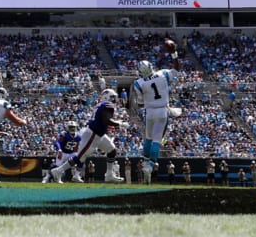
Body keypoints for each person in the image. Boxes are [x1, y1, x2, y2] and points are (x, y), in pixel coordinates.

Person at [131, 44, 181, 184]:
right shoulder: (163, 74)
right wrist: (174, 53)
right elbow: (176, 69)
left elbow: (140, 103)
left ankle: (146, 163)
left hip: (150, 112)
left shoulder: (138, 83)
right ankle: (150, 165)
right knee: (157, 140)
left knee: (148, 138)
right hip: (162, 110)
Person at [51, 90, 125, 183]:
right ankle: (58, 171)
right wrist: (119, 124)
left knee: (112, 150)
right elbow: (106, 120)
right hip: (93, 134)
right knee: (80, 157)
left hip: (99, 134)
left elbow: (103, 120)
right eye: (112, 97)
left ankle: (109, 174)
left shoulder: (101, 104)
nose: (114, 99)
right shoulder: (106, 104)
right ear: (106, 97)